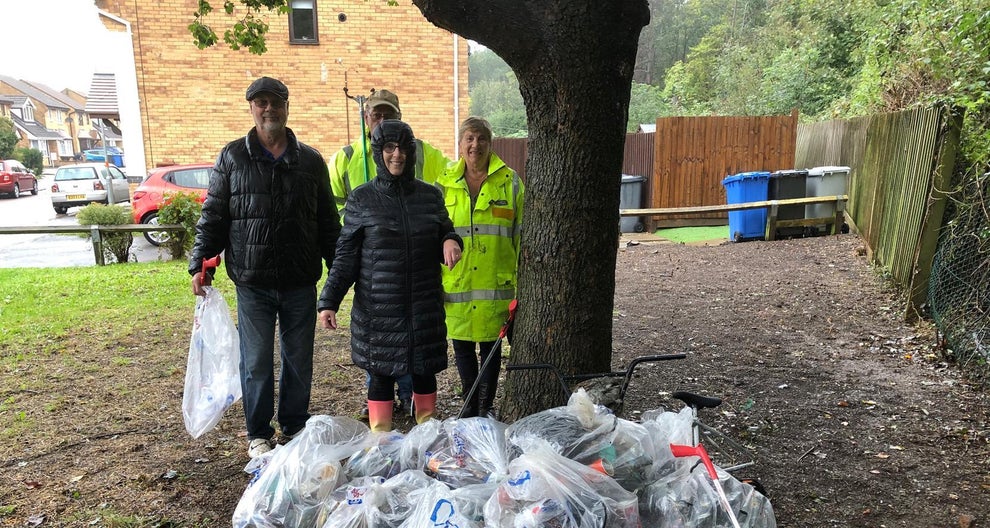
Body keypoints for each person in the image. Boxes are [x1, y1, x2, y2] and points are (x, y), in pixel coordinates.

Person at [188, 76, 340, 458]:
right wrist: (200, 263)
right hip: (252, 282)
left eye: (275, 102)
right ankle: (258, 433)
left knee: (298, 359)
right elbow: (214, 215)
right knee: (255, 361)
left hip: (299, 280)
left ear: (287, 107)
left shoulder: (310, 161)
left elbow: (327, 222)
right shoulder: (233, 157)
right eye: (261, 103)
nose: (268, 109)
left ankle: (293, 427)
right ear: (252, 108)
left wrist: (339, 273)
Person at [318, 119, 463, 433]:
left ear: (411, 152)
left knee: (424, 371)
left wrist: (451, 240)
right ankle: (380, 442)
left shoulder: (429, 197)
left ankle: (426, 436)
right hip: (378, 311)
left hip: (422, 306)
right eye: (389, 148)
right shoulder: (362, 199)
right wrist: (329, 301)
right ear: (378, 152)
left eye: (403, 148)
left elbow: (444, 233)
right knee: (380, 374)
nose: (397, 155)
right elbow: (345, 257)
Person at [435, 116, 524, 419]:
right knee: (461, 348)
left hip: (495, 285)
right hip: (457, 283)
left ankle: (486, 406)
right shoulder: (443, 184)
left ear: (490, 143)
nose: (475, 145)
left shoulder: (510, 182)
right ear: (460, 144)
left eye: (481, 138)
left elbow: (523, 236)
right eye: (469, 138)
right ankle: (469, 404)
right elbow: (433, 234)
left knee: (491, 350)